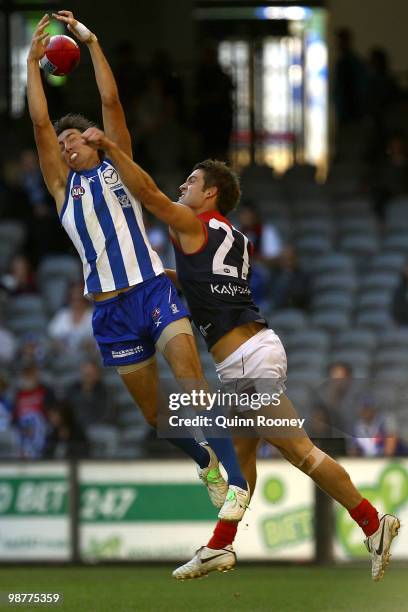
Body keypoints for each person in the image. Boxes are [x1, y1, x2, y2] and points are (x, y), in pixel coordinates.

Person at [82, 129, 401, 581]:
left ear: (210, 192)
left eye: (190, 182)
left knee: (302, 453)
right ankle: (220, 547)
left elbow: (148, 194)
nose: (181, 188)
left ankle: (373, 522)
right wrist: (155, 276)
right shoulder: (231, 235)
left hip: (247, 360)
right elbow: (204, 286)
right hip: (251, 354)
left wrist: (111, 149)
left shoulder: (193, 225)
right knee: (241, 460)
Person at [26, 12, 249, 520]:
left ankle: (236, 485)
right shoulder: (63, 189)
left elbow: (110, 103)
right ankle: (206, 464)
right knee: (155, 416)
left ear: (92, 140)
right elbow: (40, 123)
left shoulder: (117, 168)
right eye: (61, 146)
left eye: (73, 139)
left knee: (192, 380)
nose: (65, 145)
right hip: (109, 313)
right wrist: (31, 66)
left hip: (150, 289)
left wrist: (91, 41)